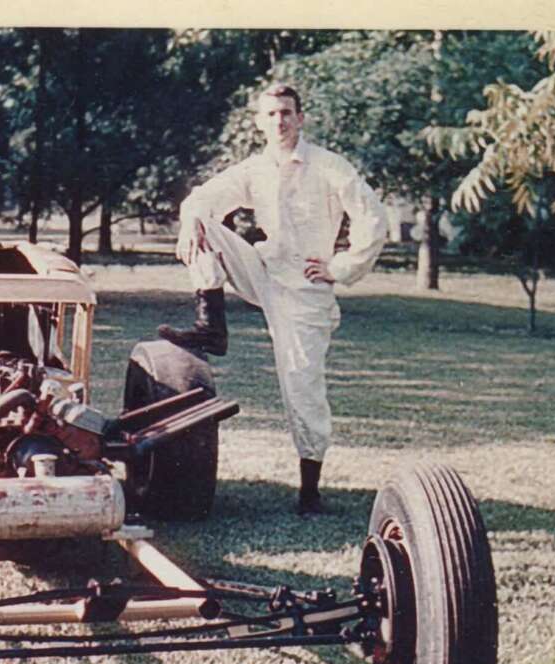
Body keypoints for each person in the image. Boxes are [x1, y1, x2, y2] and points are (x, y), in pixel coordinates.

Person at [159, 83, 387, 515]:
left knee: (301, 384)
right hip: (263, 271)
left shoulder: (329, 167)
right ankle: (211, 323)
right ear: (260, 122)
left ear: (300, 118)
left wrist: (340, 268)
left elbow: (373, 219)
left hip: (306, 288)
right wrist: (191, 221)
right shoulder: (256, 168)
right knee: (200, 219)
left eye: (286, 113)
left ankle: (309, 488)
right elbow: (203, 197)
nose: (279, 121)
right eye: (271, 114)